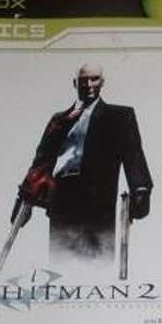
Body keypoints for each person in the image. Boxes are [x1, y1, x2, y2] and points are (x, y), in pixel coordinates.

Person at [13, 63, 153, 264]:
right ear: (75, 83)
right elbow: (41, 161)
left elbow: (133, 154)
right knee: (61, 265)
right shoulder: (59, 120)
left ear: (102, 82)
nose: (88, 85)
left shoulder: (119, 117)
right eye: (83, 80)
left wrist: (141, 189)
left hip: (97, 204)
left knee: (96, 265)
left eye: (94, 79)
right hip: (61, 203)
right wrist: (24, 197)